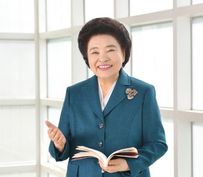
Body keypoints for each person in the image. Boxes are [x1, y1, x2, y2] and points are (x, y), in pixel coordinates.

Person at [46, 17, 168, 177]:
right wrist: (60, 144)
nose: (102, 58)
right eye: (94, 52)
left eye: (110, 50)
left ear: (124, 53)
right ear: (87, 58)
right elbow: (62, 150)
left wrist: (128, 164)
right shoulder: (74, 94)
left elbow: (158, 144)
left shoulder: (143, 92)